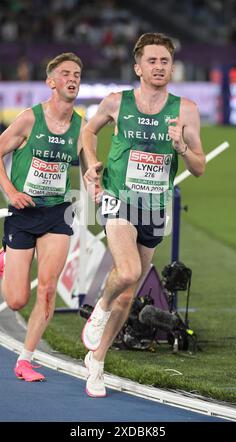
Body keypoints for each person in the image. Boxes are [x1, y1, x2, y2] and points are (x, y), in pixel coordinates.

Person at [81, 33, 206, 397]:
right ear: (138, 67)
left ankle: (97, 362)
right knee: (130, 271)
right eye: (152, 61)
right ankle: (99, 308)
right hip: (118, 196)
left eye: (164, 61)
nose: (159, 67)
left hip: (154, 205)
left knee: (128, 295)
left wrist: (183, 147)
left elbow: (199, 167)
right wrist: (91, 165)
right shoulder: (117, 102)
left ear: (172, 67)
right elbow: (88, 131)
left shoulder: (186, 110)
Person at [0, 52, 84, 382]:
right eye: (65, 73)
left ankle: (25, 359)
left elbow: (89, 169)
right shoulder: (30, 119)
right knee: (16, 300)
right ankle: (4, 254)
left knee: (47, 288)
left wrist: (97, 181)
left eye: (77, 75)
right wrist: (11, 193)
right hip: (23, 213)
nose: (72, 78)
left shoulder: (81, 127)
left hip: (57, 214)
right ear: (51, 82)